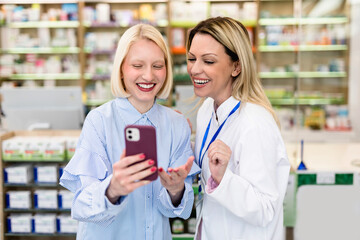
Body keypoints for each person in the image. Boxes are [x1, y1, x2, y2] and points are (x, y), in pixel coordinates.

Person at [60, 23, 200, 240]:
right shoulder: (99, 121)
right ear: (122, 69)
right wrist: (112, 189)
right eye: (137, 65)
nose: (148, 75)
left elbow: (174, 210)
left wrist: (176, 190)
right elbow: (81, 206)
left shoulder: (176, 124)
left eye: (157, 65)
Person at [186, 17, 290, 240]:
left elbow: (266, 209)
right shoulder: (207, 110)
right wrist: (181, 141)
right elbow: (210, 161)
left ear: (236, 66)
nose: (195, 69)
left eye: (209, 61)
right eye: (191, 59)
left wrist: (224, 178)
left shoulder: (254, 123)